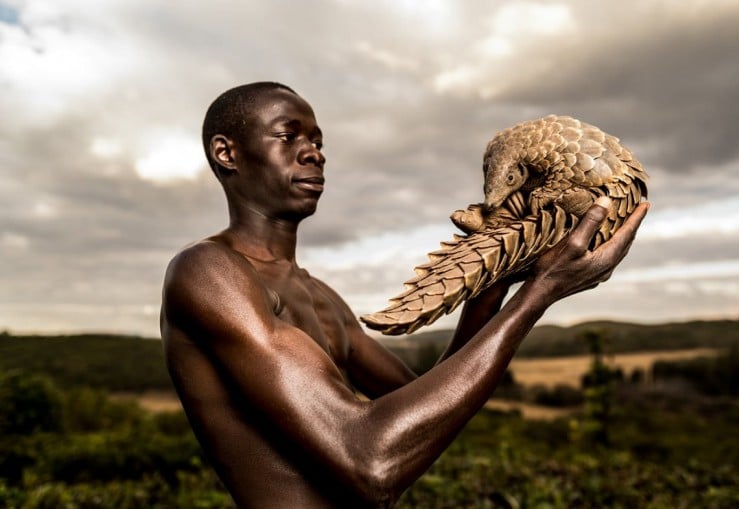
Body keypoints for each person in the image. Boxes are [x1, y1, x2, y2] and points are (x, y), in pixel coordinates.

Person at [160, 82, 649, 509]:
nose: (314, 153)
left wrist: (498, 277)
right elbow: (372, 462)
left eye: (317, 141)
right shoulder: (209, 273)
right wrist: (541, 295)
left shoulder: (319, 295)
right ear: (227, 153)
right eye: (289, 137)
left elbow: (423, 407)